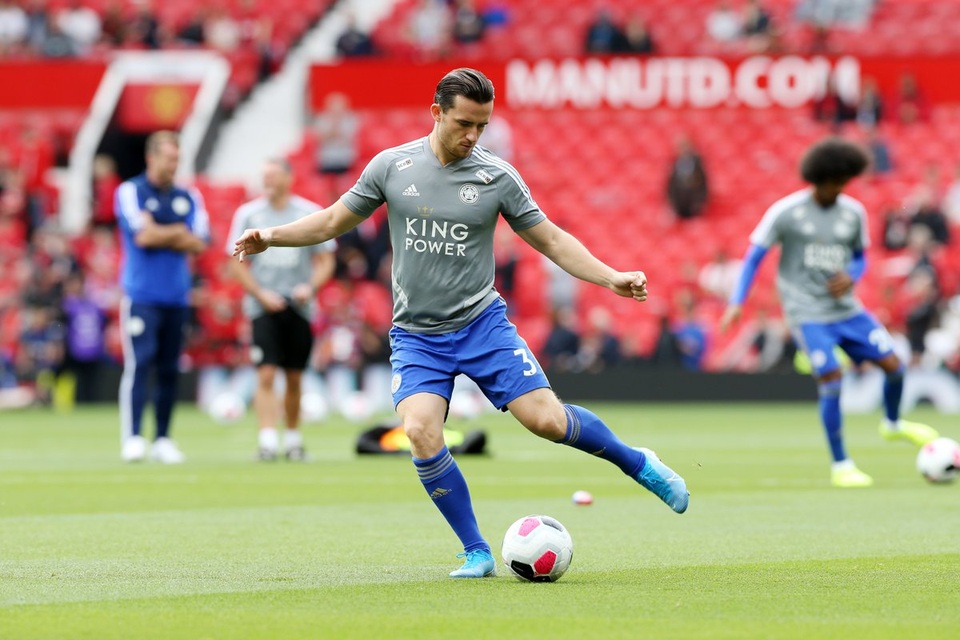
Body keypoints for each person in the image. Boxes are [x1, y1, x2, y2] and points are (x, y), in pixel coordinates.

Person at [234, 67, 689, 578]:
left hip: (481, 325)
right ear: (437, 114)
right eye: (464, 124)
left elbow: (553, 240)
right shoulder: (392, 167)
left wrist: (610, 278)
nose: (473, 136)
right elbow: (332, 220)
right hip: (416, 335)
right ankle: (476, 550)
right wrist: (271, 235)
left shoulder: (496, 176)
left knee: (546, 421)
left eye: (482, 125)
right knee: (420, 431)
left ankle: (637, 463)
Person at [720, 137, 940, 488]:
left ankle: (893, 423)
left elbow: (861, 257)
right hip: (806, 312)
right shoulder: (786, 213)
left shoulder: (852, 212)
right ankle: (842, 465)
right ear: (817, 178)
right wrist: (736, 302)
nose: (840, 188)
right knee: (831, 376)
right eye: (834, 182)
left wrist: (851, 276)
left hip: (847, 310)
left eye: (844, 182)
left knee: (894, 367)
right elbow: (754, 258)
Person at [225, 158, 337, 461]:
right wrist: (260, 294)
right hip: (263, 307)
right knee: (265, 372)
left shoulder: (308, 212)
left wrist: (309, 288)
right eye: (265, 177)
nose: (268, 183)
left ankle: (292, 438)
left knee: (295, 376)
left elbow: (326, 259)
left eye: (274, 176)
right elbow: (235, 264)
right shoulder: (248, 214)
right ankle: (267, 439)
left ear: (289, 178)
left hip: (299, 307)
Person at [115, 130, 210, 463]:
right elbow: (142, 237)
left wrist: (161, 231)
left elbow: (200, 241)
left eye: (177, 159)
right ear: (151, 157)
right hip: (141, 295)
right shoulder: (131, 191)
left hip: (177, 296)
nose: (174, 165)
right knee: (140, 364)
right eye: (169, 158)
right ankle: (133, 436)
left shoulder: (189, 196)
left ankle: (164, 438)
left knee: (170, 368)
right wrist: (177, 232)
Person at [666, 134, 709, 220]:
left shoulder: (698, 163)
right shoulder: (674, 164)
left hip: (694, 207)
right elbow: (670, 186)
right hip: (679, 206)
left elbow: (703, 185)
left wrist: (699, 205)